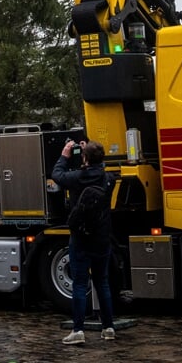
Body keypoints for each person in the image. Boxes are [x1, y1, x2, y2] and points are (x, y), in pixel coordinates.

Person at [54, 138, 117, 345]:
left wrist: (65, 154)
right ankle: (108, 328)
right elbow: (101, 169)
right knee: (102, 282)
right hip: (102, 237)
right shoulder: (108, 179)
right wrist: (89, 151)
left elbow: (57, 175)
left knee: (80, 284)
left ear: (84, 158)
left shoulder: (77, 177)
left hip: (81, 237)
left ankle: (78, 330)